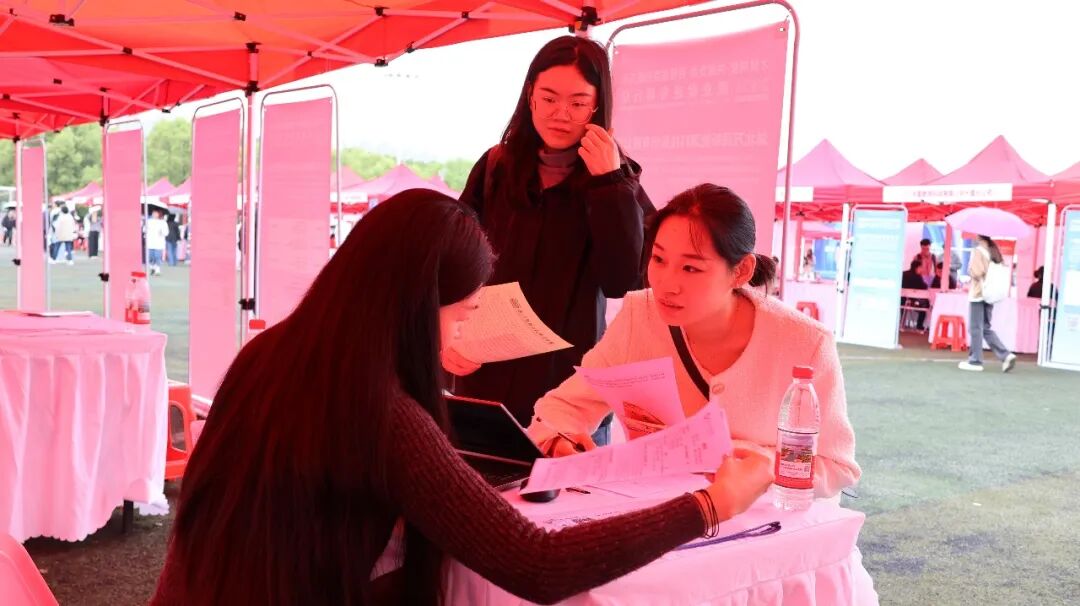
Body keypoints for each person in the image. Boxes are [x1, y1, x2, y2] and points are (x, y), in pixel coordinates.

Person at [150, 189, 773, 606]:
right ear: (417, 305)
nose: (457, 337)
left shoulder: (273, 352)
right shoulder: (382, 413)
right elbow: (538, 565)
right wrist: (710, 505)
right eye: (461, 315)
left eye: (691, 266)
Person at [528, 184, 861, 499]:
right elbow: (563, 408)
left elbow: (836, 465)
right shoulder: (639, 317)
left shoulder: (805, 343)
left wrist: (757, 465)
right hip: (666, 520)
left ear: (741, 271)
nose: (667, 285)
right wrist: (558, 440)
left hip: (767, 524)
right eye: (659, 259)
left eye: (690, 268)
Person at [447, 36, 655, 433]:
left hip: (568, 393)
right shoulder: (497, 166)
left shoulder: (618, 179)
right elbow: (452, 260)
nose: (561, 114)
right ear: (530, 95)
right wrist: (447, 338)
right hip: (483, 377)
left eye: (578, 103)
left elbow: (621, 280)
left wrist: (609, 182)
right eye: (549, 98)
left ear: (597, 105)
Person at [959, 235, 1016, 373]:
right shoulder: (994, 251)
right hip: (990, 294)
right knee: (984, 328)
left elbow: (977, 272)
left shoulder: (978, 251)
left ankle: (975, 361)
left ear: (979, 236)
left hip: (979, 293)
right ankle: (1005, 355)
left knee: (975, 328)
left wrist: (970, 270)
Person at [900, 259, 929, 331]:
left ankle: (901, 323)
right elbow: (924, 287)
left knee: (903, 307)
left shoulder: (903, 274)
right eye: (921, 267)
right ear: (918, 267)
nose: (922, 269)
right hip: (913, 301)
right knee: (926, 304)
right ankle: (919, 325)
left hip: (902, 300)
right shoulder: (917, 277)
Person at [146, 209, 169, 275]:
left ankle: (157, 269)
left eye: (156, 213)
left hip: (159, 243)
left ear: (159, 214)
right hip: (150, 242)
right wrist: (146, 229)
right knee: (151, 256)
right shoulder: (148, 221)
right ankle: (152, 267)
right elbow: (145, 230)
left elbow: (166, 232)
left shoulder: (163, 222)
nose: (154, 214)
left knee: (157, 256)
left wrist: (162, 232)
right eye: (153, 213)